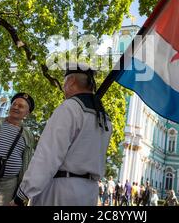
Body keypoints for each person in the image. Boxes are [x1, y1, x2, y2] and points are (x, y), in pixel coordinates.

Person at [12, 62, 112, 206]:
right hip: (89, 193)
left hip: (60, 192)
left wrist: (22, 194)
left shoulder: (70, 107)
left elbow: (47, 156)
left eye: (64, 83)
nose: (64, 89)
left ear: (71, 81)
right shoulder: (105, 117)